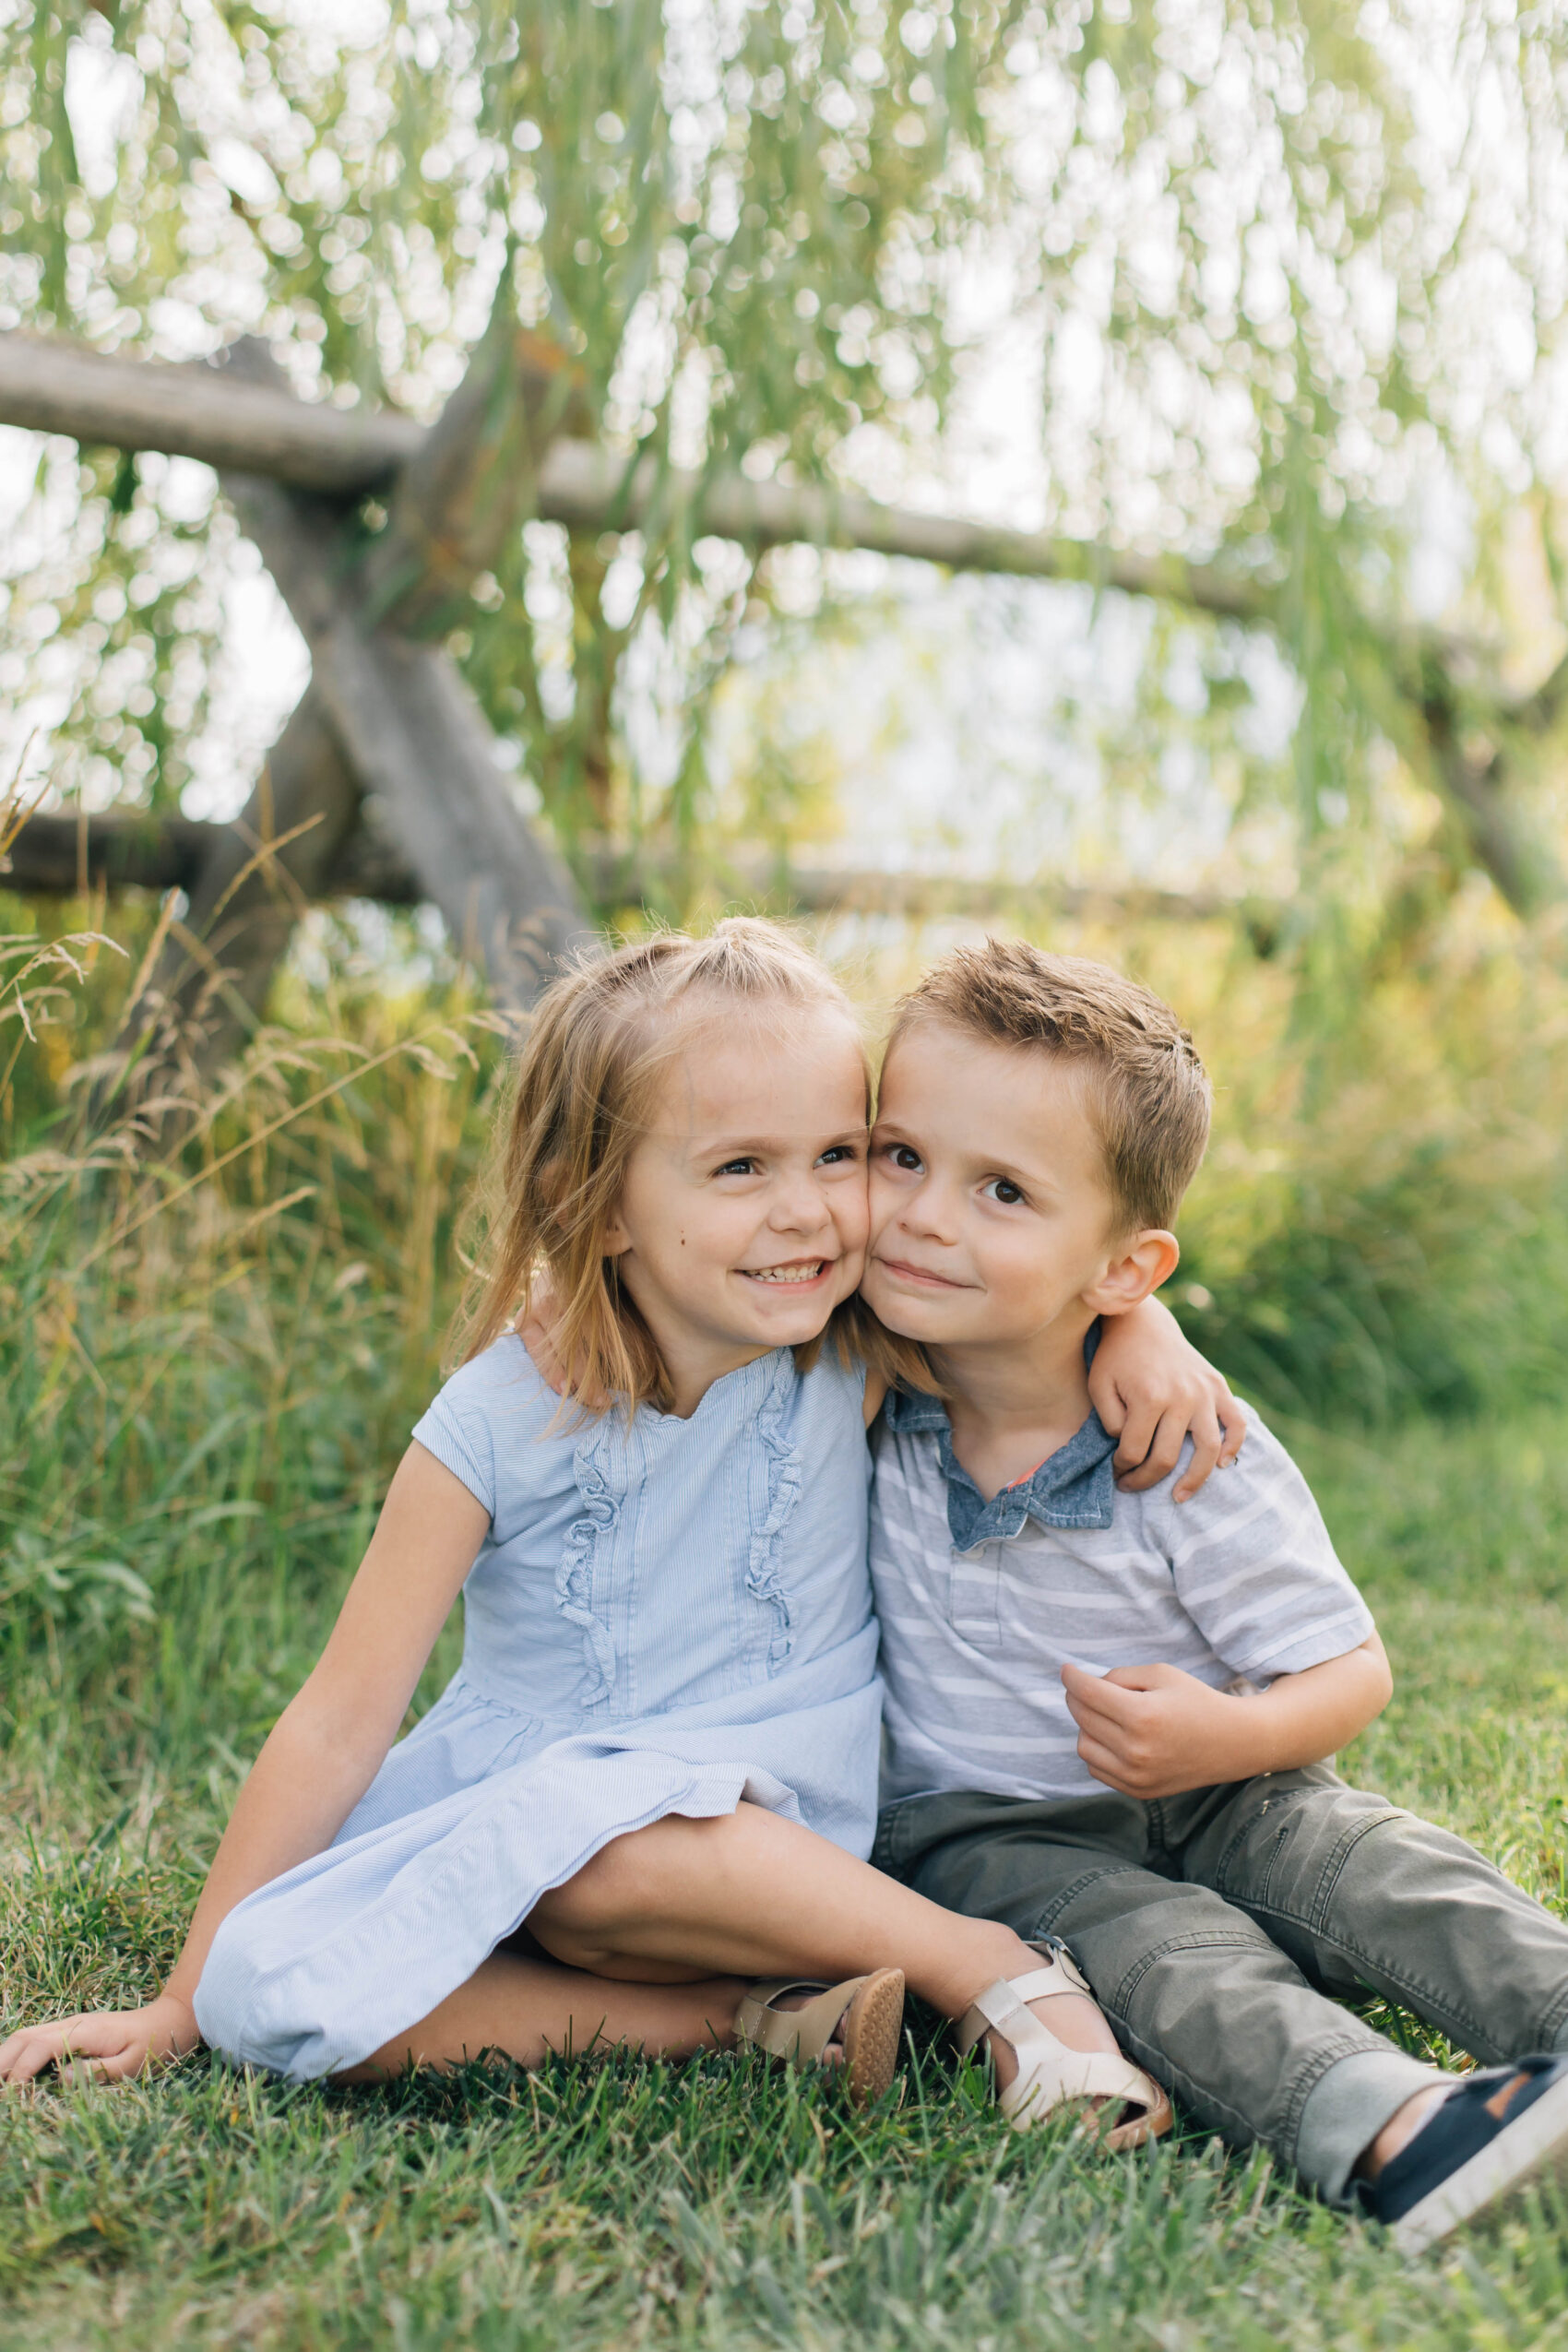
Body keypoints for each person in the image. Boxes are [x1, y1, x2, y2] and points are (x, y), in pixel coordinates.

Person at [0, 921, 1234, 2138]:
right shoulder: (490, 1421)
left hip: (769, 1826)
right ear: (594, 1205)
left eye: (840, 1153)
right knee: (259, 1990)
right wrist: (180, 1998)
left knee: (605, 1859)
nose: (810, 1211)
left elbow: (1033, 1306)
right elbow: (342, 1714)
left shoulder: (846, 1339)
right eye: (741, 1167)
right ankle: (751, 2017)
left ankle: (993, 1970)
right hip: (543, 1826)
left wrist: (1141, 1328)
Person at [858, 936, 1568, 2251]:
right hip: (995, 1833)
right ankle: (1392, 2122)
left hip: (1227, 1779)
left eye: (1002, 1189)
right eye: (900, 1154)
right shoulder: (853, 1379)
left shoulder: (1186, 1449)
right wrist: (1131, 1315)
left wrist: (1225, 1740)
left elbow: (1352, 1672)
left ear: (1126, 1267)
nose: (921, 1215)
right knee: (1163, 1957)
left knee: (1368, 1862)